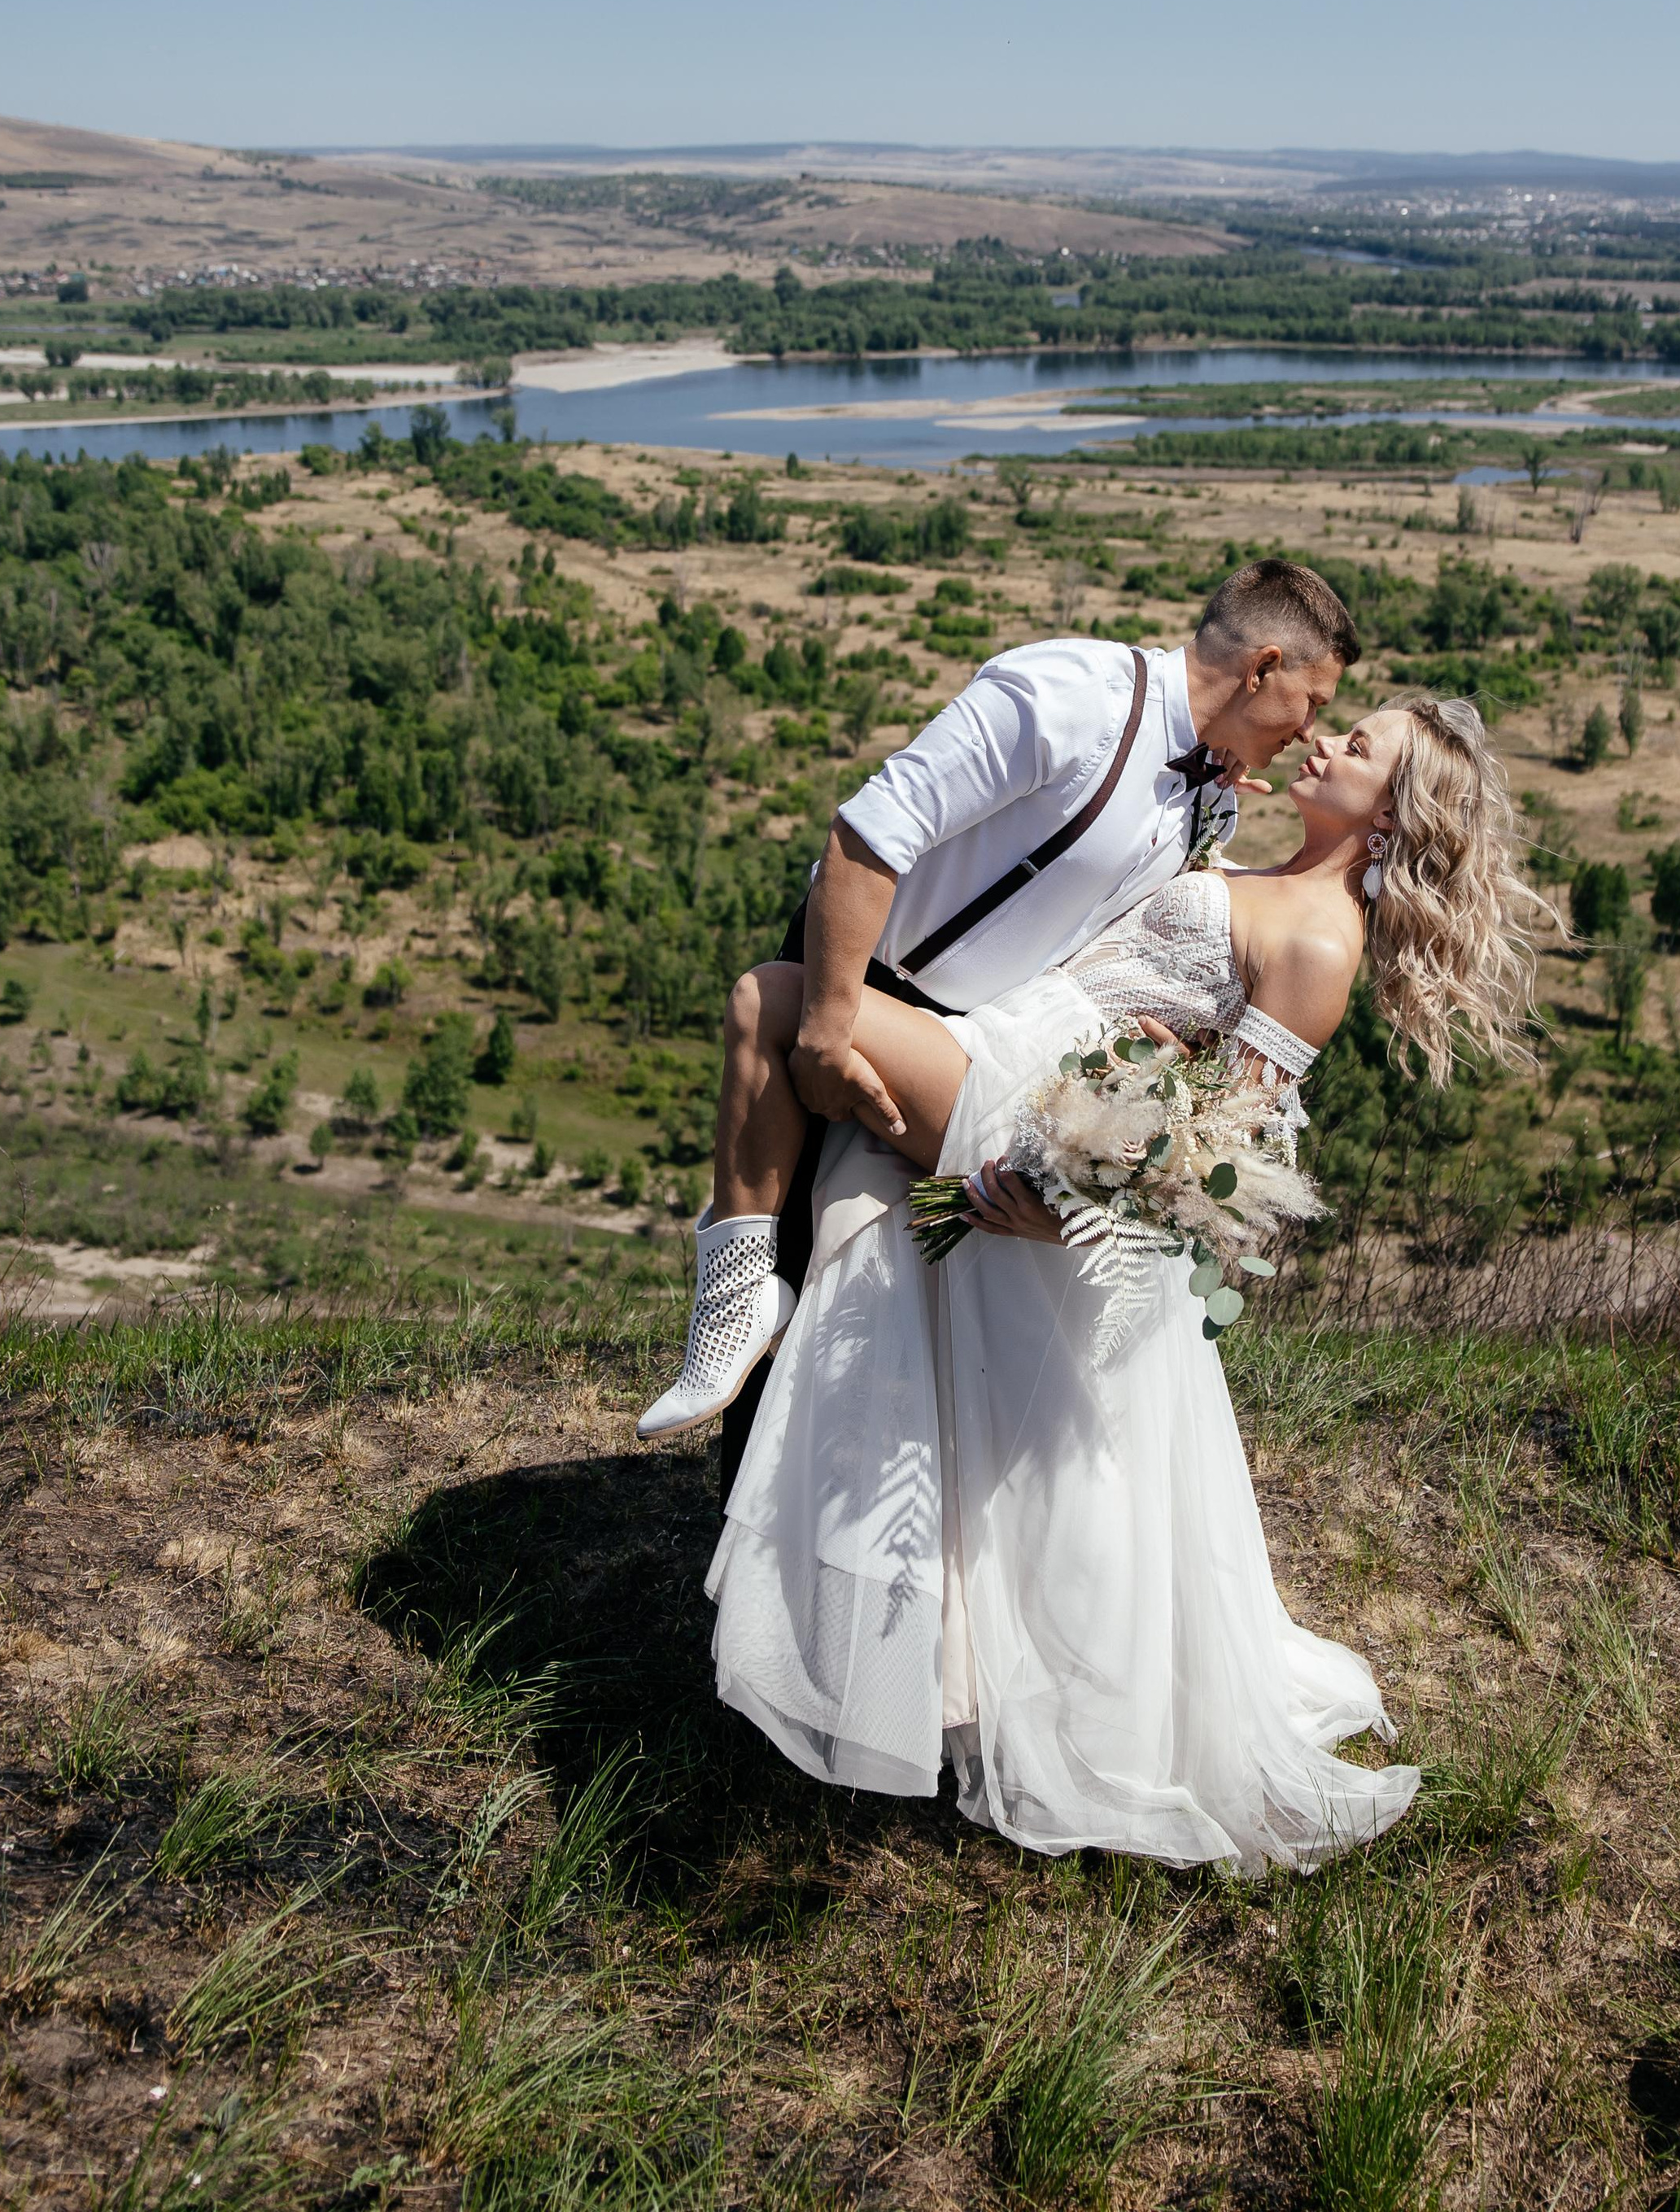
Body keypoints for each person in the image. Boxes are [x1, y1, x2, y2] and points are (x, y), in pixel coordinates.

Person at [702, 688, 1551, 1874]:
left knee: (783, 998)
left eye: (1358, 746)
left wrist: (1077, 1214)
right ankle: (931, 1666)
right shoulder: (1263, 871)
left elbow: (1230, 1150)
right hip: (1024, 1061)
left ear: (1396, 813)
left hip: (1025, 1109)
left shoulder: (1319, 942)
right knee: (976, 1442)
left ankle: (735, 1288)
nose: (1326, 741)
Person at [637, 556, 1360, 1446]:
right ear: (1262, 669)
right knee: (786, 1249)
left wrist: (1166, 1059)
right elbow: (871, 831)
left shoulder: (1213, 803)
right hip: (858, 982)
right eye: (1312, 703)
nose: (1310, 730)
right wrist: (826, 1023)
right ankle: (736, 1472)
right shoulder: (1072, 694)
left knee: (856, 1294)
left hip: (981, 1048)